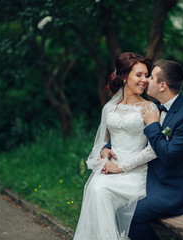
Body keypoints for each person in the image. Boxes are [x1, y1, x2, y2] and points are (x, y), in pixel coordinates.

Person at [73, 52, 158, 240]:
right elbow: (104, 140)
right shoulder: (109, 108)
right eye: (139, 75)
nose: (144, 80)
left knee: (100, 190)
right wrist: (104, 152)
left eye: (146, 75)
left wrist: (120, 168)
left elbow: (153, 149)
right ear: (124, 76)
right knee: (95, 187)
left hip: (135, 174)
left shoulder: (149, 108)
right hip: (110, 170)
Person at [127, 59, 183, 240]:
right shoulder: (154, 107)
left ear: (162, 86)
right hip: (147, 180)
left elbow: (170, 156)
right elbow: (131, 136)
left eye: (151, 77)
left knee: (130, 216)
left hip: (173, 191)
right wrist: (108, 147)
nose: (146, 80)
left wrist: (153, 125)